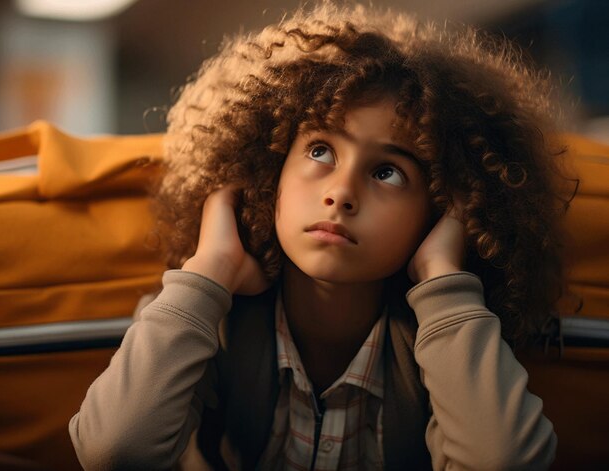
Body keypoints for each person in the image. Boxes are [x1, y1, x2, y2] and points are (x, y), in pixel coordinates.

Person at [70, 2, 569, 469]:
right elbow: (112, 450)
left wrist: (442, 277)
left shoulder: (452, 343)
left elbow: (502, 460)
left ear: (443, 210)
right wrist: (208, 270)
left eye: (388, 173)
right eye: (319, 152)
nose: (342, 193)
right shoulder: (199, 321)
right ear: (269, 173)